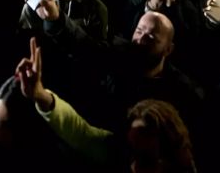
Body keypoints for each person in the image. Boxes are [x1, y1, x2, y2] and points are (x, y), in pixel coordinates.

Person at [16, 37, 198, 172]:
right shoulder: (118, 150)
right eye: (131, 153)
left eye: (146, 160)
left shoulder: (182, 86)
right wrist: (41, 95)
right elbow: (81, 131)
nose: (133, 166)